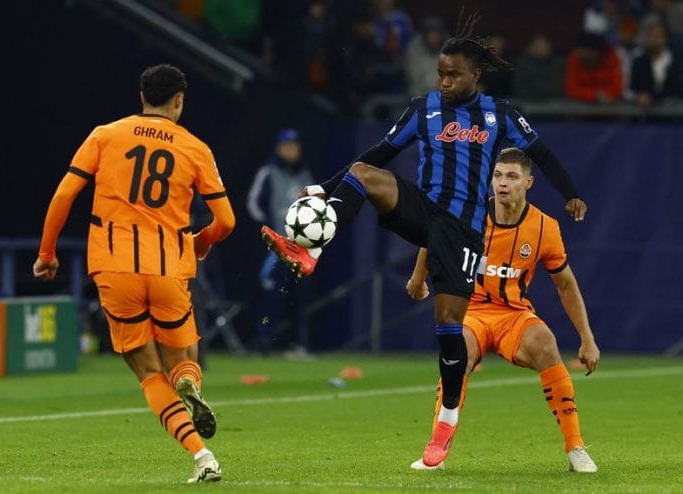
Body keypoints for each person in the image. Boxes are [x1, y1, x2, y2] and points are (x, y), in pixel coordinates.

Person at [261, 9, 587, 467]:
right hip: (424, 209)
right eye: (441, 74)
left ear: (474, 75)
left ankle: (447, 423)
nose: (445, 81)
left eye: (454, 75)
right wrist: (323, 187)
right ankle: (310, 248)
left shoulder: (499, 115)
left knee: (448, 329)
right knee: (363, 173)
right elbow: (381, 151)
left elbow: (544, 154)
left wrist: (571, 193)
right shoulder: (424, 109)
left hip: (462, 231)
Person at [32, 64, 236, 483]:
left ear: (142, 96)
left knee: (147, 371)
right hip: (168, 268)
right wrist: (201, 241)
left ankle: (202, 457)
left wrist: (47, 252)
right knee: (182, 360)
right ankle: (188, 383)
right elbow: (227, 221)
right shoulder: (195, 148)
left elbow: (65, 194)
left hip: (114, 266)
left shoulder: (105, 135)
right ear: (179, 100)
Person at [406, 147, 600, 472]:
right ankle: (438, 444)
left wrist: (587, 338)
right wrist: (417, 279)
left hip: (514, 315)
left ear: (528, 182)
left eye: (511, 176)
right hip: (471, 311)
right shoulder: (468, 213)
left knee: (546, 344)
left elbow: (566, 285)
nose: (502, 183)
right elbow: (433, 237)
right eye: (497, 175)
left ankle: (575, 446)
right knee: (458, 350)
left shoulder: (545, 227)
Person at [247, 128, 314, 355]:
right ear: (279, 148)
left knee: (299, 295)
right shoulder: (268, 172)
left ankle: (298, 343)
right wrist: (269, 230)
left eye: (295, 146)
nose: (291, 150)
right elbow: (253, 204)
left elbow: (316, 208)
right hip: (274, 247)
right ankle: (264, 340)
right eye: (287, 146)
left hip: (300, 247)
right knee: (271, 293)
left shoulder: (305, 175)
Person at [629, 20, 683, 106]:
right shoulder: (638, 62)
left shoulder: (676, 62)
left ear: (665, 39)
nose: (655, 40)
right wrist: (637, 97)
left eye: (658, 36)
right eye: (652, 36)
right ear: (646, 39)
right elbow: (630, 90)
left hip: (673, 110)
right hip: (645, 111)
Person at [565, 32, 624, 104]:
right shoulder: (574, 58)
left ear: (596, 52)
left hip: (609, 104)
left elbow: (617, 88)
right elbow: (571, 90)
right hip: (580, 104)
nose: (579, 55)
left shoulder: (611, 58)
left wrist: (604, 95)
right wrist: (594, 95)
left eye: (585, 52)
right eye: (577, 51)